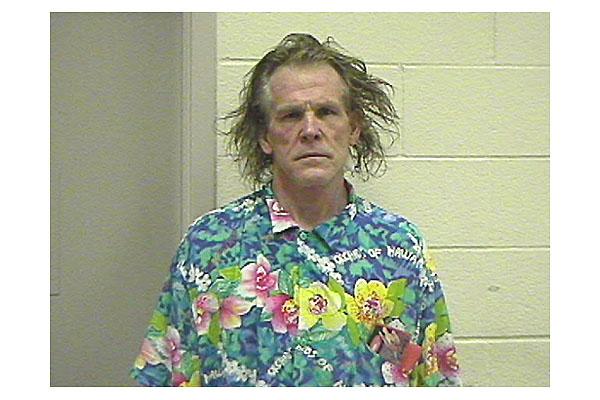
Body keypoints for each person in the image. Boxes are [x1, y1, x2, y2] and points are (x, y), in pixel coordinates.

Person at [130, 33, 462, 387]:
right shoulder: (209, 244)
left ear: (354, 128)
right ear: (265, 136)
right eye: (291, 116)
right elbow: (163, 379)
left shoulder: (400, 247)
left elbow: (434, 380)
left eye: (327, 112)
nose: (310, 130)